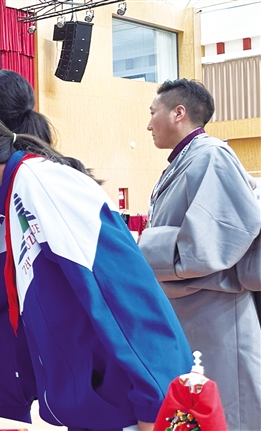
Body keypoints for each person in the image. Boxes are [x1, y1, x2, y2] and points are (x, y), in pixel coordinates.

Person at [0, 97, 192, 431]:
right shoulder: (11, 193)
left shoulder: (45, 186)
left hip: (126, 409)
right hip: (92, 407)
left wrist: (155, 403)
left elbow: (129, 294)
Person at [138, 79, 261, 431]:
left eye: (153, 113)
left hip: (216, 312)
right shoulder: (189, 158)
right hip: (191, 308)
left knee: (227, 412)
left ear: (178, 113)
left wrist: (143, 246)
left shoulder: (211, 155)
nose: (148, 124)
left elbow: (212, 245)